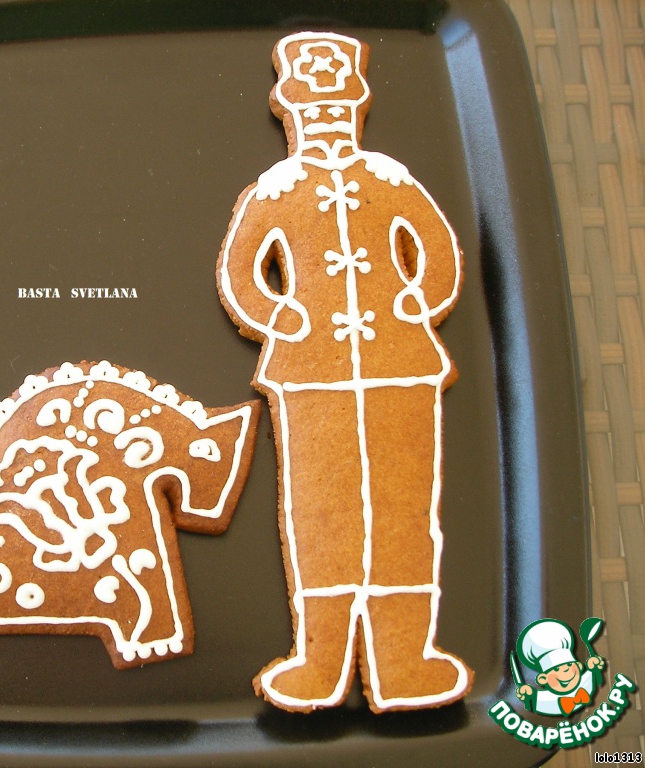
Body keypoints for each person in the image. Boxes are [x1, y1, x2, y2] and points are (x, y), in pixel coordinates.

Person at [217, 32, 471, 712]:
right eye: (314, 112)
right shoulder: (277, 190)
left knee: (402, 509)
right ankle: (320, 659)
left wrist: (420, 298)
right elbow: (242, 271)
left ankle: (404, 660)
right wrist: (281, 314)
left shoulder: (387, 178)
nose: (326, 124)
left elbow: (436, 247)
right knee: (320, 511)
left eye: (337, 111)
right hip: (309, 374)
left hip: (400, 364)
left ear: (355, 110)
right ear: (293, 114)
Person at [516, 619, 604, 716]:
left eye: (569, 665)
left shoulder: (585, 683)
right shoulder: (547, 700)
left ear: (579, 666)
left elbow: (594, 676)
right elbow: (532, 700)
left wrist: (593, 666)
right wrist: (528, 694)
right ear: (543, 679)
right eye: (557, 669)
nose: (566, 672)